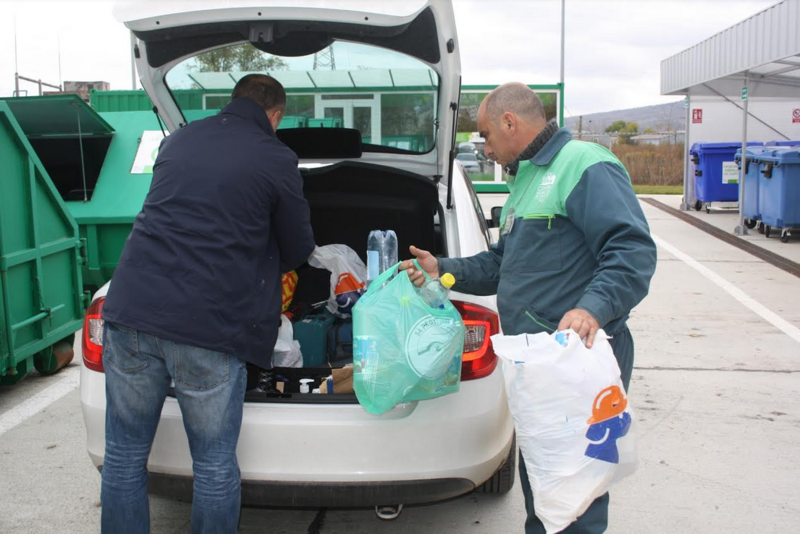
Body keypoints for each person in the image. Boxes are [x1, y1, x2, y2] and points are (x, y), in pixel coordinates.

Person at [401, 82, 657, 534]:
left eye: (485, 135)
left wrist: (592, 309)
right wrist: (442, 267)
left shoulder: (584, 164)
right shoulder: (525, 180)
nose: (485, 147)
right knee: (543, 478)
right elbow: (503, 264)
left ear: (509, 122)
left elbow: (632, 251)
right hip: (539, 360)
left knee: (575, 490)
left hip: (578, 357)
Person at [99, 74, 315, 534]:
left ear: (232, 101)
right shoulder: (275, 157)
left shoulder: (179, 140)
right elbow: (298, 248)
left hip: (132, 312)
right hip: (208, 328)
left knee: (123, 455)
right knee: (214, 465)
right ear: (274, 116)